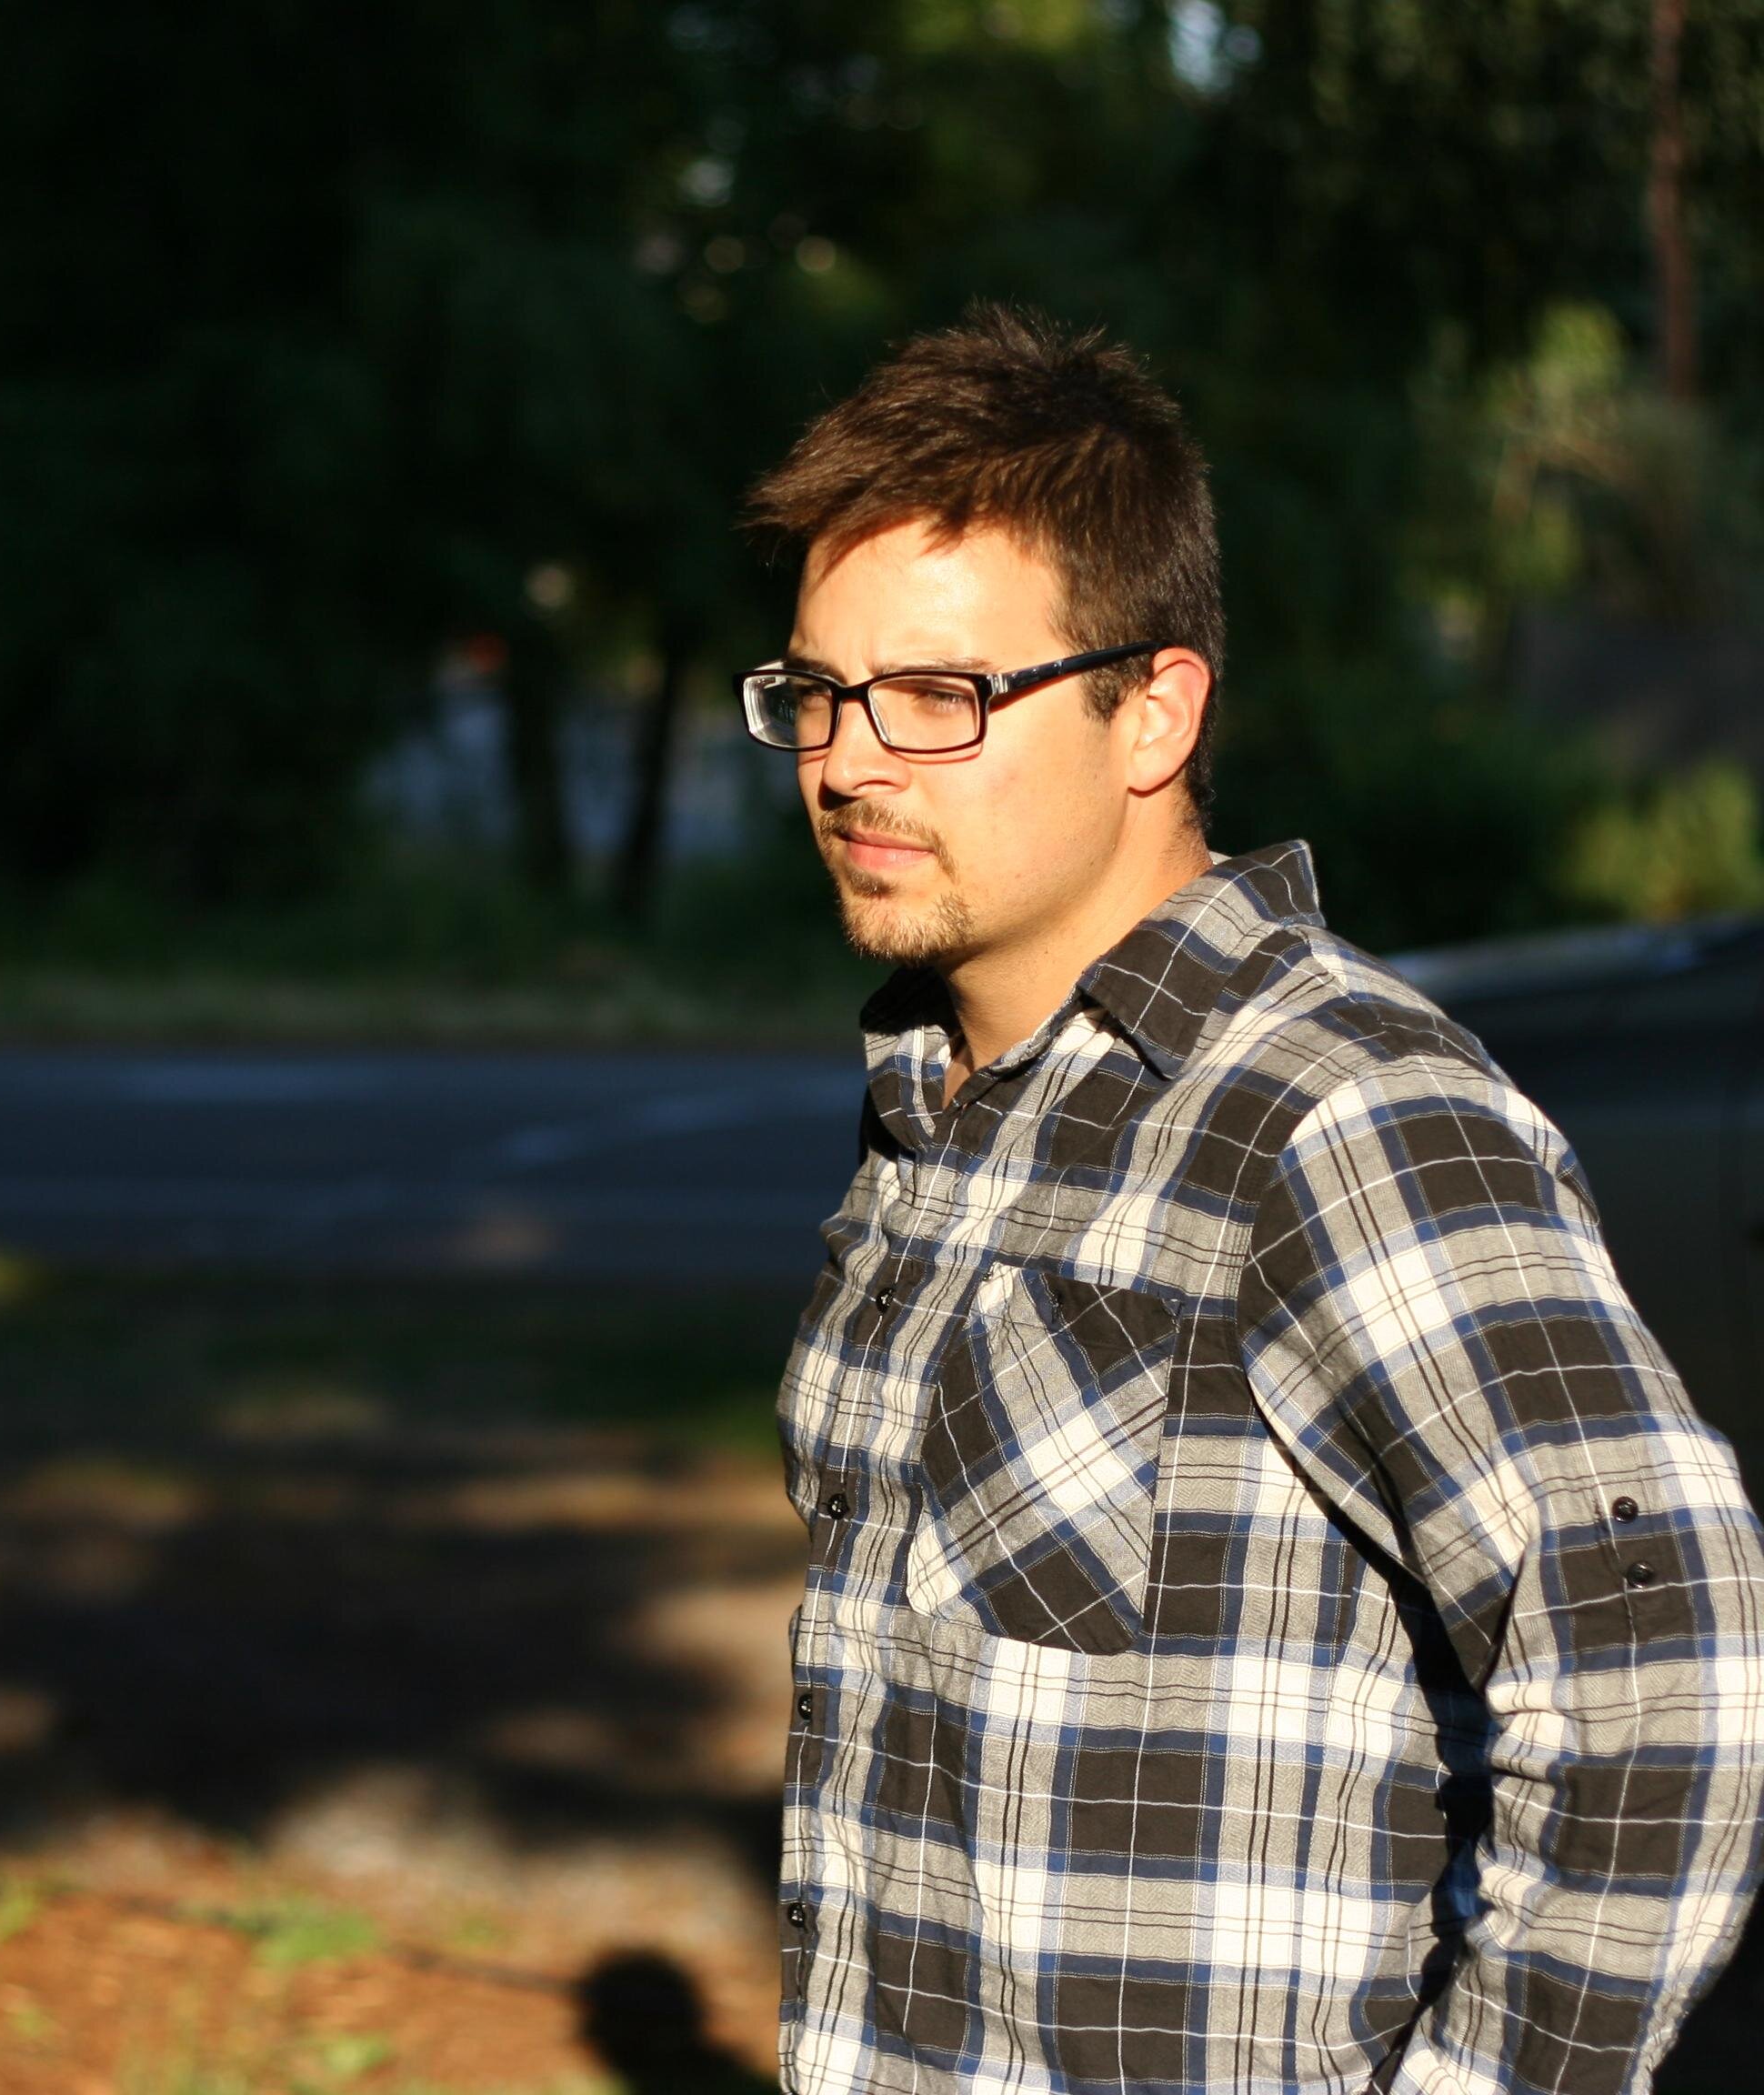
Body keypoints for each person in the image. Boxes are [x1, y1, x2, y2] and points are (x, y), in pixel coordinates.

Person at [737, 304, 1764, 2095]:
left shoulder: (1336, 1111)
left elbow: (1660, 1677)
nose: (848, 758)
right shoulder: (932, 1111)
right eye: (818, 691)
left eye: (938, 693)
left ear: (1156, 713)